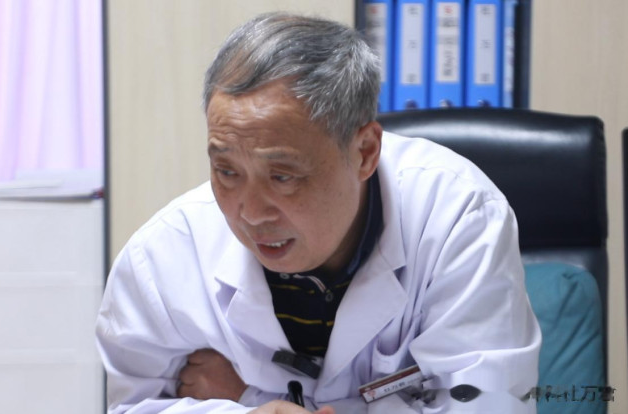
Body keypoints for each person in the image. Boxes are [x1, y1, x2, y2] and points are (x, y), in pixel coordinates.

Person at [96, 12, 541, 414]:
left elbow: (490, 405)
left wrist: (249, 396)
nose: (250, 213)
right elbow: (133, 406)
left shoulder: (457, 219)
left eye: (282, 176)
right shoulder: (163, 257)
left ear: (364, 151)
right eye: (227, 171)